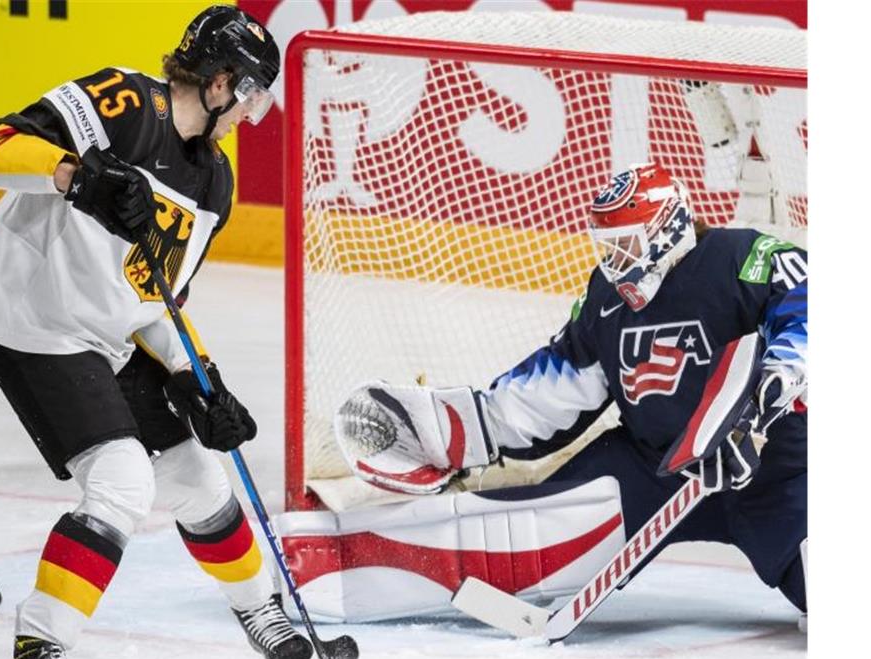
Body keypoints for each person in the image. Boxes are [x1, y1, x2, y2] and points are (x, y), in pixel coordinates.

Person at [0, 6, 311, 659]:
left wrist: (200, 381)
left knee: (198, 476)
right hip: (32, 321)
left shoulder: (213, 184)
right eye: (250, 98)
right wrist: (75, 177)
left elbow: (156, 297)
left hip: (107, 334)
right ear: (221, 83)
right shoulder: (123, 104)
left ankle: (260, 611)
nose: (251, 117)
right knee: (124, 481)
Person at [291, 161, 807, 628]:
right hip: (655, 468)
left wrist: (771, 390)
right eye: (606, 248)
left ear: (666, 231)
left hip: (777, 471)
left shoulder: (742, 257)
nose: (614, 262)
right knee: (525, 535)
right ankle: (325, 565)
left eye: (624, 246)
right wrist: (469, 428)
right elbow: (564, 379)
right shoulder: (608, 299)